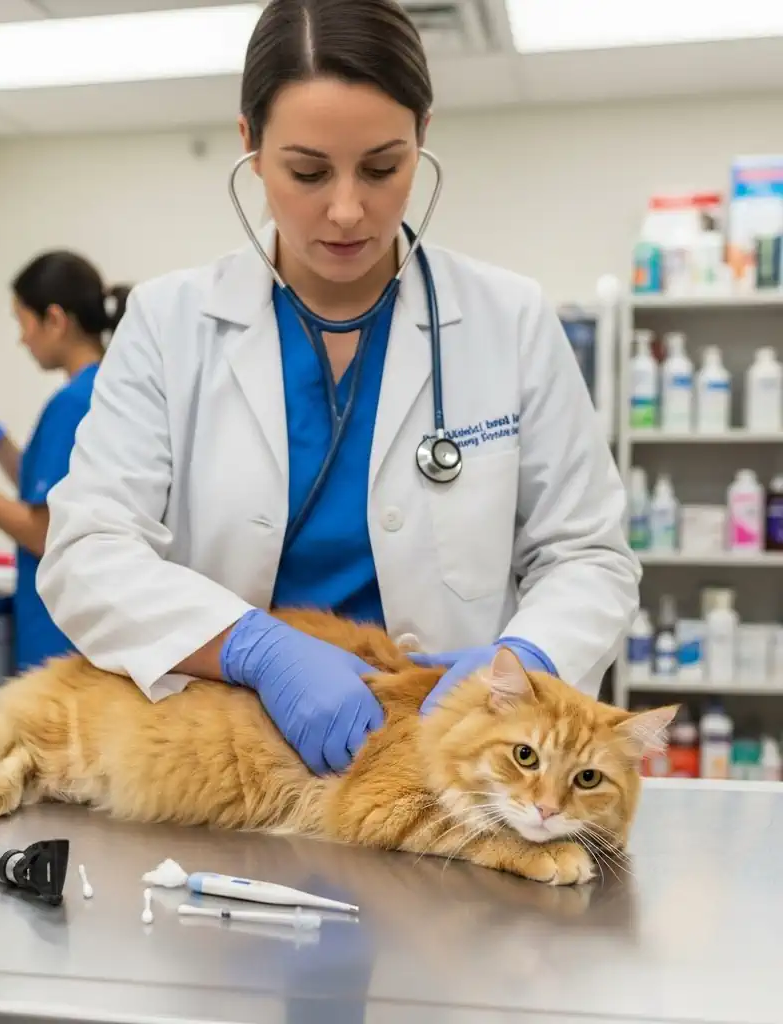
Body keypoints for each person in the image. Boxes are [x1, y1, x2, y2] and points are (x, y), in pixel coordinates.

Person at [37, 0, 641, 777]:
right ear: (250, 146)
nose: (349, 209)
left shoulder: (508, 318)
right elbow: (87, 551)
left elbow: (589, 553)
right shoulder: (169, 321)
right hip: (227, 757)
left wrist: (525, 654)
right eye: (309, 171)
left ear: (424, 134)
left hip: (449, 764)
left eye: (384, 167)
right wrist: (253, 649)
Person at [0, 250, 130, 673]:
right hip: (92, 626)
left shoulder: (74, 402)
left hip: (61, 637)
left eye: (22, 322)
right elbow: (54, 491)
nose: (21, 339)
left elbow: (43, 531)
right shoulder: (105, 388)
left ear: (54, 320)